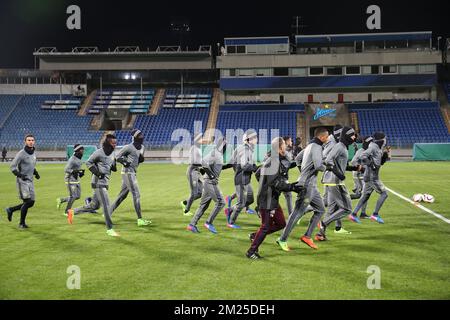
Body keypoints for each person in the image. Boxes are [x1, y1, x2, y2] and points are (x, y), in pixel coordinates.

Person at [246, 137, 304, 259]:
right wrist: (292, 187)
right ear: (279, 147)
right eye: (283, 145)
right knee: (265, 226)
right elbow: (276, 183)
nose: (285, 147)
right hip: (267, 199)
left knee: (281, 223)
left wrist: (265, 184)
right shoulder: (274, 160)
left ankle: (254, 236)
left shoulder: (272, 159)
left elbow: (258, 174)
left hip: (271, 197)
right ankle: (251, 252)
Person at [276, 127, 329, 251]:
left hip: (311, 185)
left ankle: (307, 236)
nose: (328, 138)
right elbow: (318, 165)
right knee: (297, 213)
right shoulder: (316, 147)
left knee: (320, 209)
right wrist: (328, 167)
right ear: (322, 137)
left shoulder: (309, 146)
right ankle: (282, 239)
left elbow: (298, 159)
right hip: (307, 185)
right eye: (327, 137)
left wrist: (303, 173)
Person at [67, 134, 119, 237]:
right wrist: (98, 174)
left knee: (94, 206)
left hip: (105, 182)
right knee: (107, 205)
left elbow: (112, 167)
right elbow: (88, 163)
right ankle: (110, 229)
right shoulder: (98, 153)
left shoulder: (112, 153)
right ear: (108, 143)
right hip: (98, 182)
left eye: (115, 143)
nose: (115, 145)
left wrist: (114, 164)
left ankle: (72, 212)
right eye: (113, 143)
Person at [315, 127, 359, 241]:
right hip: (335, 182)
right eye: (353, 135)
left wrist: (354, 168)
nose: (354, 137)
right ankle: (323, 223)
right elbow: (328, 160)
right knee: (347, 209)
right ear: (347, 136)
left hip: (333, 182)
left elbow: (341, 165)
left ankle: (320, 234)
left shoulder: (343, 146)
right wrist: (339, 174)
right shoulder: (339, 146)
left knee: (331, 208)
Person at [110, 129, 151, 227]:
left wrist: (141, 159)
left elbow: (139, 159)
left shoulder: (142, 147)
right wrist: (125, 162)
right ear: (135, 137)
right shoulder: (128, 147)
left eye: (142, 134)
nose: (142, 136)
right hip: (127, 173)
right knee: (136, 194)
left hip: (132, 172)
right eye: (139, 135)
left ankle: (108, 212)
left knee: (122, 196)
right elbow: (117, 157)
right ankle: (140, 219)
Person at [187, 137, 228, 234]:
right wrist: (212, 176)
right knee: (221, 202)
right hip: (210, 182)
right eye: (225, 145)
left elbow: (213, 167)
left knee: (203, 205)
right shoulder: (216, 153)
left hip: (208, 181)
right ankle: (209, 222)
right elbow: (203, 164)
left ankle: (192, 225)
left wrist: (231, 165)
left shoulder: (217, 154)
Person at [348, 132, 390, 224]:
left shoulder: (378, 148)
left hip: (369, 176)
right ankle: (375, 214)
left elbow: (378, 162)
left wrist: (384, 157)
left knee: (365, 196)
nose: (385, 140)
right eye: (384, 138)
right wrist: (370, 164)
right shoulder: (373, 147)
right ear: (381, 139)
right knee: (384, 194)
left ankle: (353, 214)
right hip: (372, 177)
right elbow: (363, 156)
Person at [5, 134, 40, 229]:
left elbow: (31, 165)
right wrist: (20, 175)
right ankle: (21, 223)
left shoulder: (33, 153)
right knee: (27, 202)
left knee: (31, 202)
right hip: (22, 181)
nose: (31, 141)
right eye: (29, 140)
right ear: (25, 141)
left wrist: (35, 173)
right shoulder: (21, 153)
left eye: (32, 140)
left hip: (30, 181)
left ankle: (11, 209)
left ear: (34, 141)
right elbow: (12, 167)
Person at [225, 130, 258, 228]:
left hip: (245, 179)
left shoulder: (244, 148)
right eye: (255, 138)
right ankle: (230, 222)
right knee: (241, 202)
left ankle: (230, 209)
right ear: (249, 140)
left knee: (250, 199)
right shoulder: (245, 150)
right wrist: (256, 168)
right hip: (241, 179)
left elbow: (232, 162)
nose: (257, 139)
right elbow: (245, 166)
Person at [56, 144, 85, 216]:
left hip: (76, 179)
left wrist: (80, 173)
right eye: (81, 149)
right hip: (70, 179)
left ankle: (61, 200)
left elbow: (76, 169)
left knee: (77, 196)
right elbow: (66, 169)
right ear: (77, 150)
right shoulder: (72, 159)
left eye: (83, 149)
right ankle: (66, 212)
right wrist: (77, 171)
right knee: (73, 196)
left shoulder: (79, 158)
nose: (83, 151)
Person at [181, 133, 204, 216]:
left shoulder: (199, 148)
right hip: (192, 171)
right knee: (194, 192)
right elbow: (194, 162)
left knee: (200, 193)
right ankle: (186, 211)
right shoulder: (194, 148)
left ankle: (185, 202)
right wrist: (204, 164)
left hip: (197, 171)